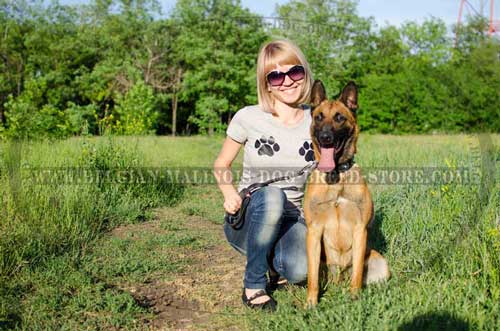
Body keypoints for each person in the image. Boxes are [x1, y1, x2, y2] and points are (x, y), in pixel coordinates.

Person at [213, 39, 315, 311]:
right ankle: (254, 284)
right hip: (251, 215)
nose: (287, 81)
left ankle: (271, 260)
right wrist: (229, 193)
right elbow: (221, 165)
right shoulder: (249, 117)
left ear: (304, 72)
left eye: (294, 72)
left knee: (301, 270)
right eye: (276, 76)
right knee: (272, 197)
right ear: (266, 83)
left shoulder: (318, 119)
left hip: (292, 218)